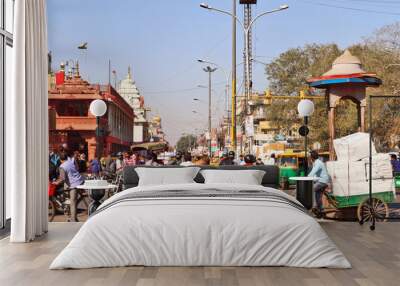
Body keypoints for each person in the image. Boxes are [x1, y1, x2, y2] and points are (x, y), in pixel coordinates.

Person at [52, 149, 84, 222]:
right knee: (73, 200)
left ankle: (73, 219)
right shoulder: (70, 160)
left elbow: (62, 179)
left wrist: (55, 183)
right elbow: (77, 168)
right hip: (80, 180)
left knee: (73, 202)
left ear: (60, 159)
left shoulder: (62, 167)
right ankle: (73, 215)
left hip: (74, 184)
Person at [308, 150, 330, 216]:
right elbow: (313, 174)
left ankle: (314, 206)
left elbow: (312, 173)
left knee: (311, 189)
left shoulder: (318, 163)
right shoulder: (316, 163)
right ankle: (321, 210)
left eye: (310, 157)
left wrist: (307, 178)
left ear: (312, 157)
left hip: (322, 181)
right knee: (318, 196)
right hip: (322, 181)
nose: (309, 158)